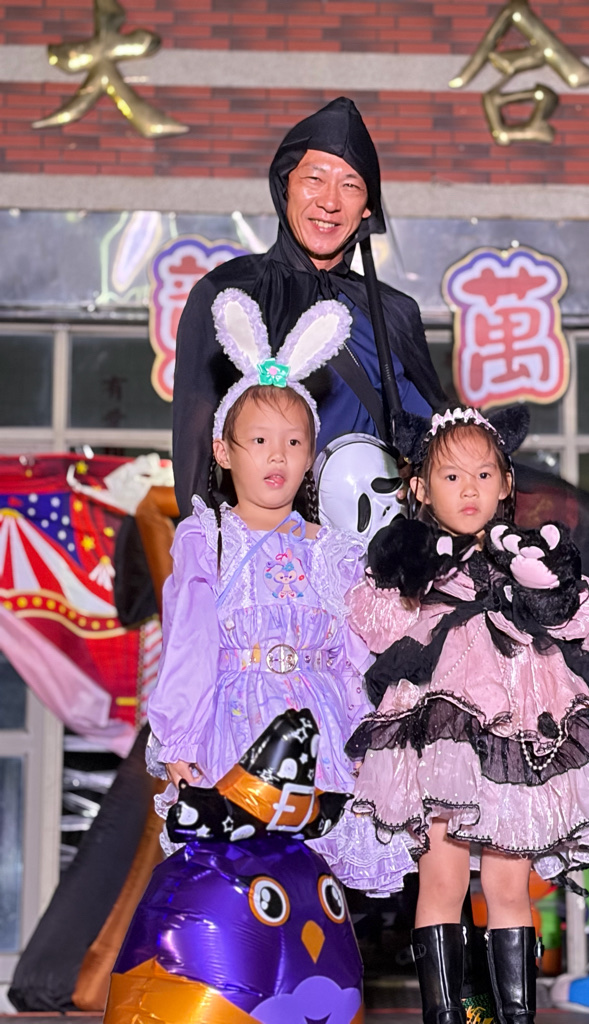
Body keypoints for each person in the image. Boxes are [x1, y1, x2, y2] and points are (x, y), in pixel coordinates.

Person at [344, 406, 589, 1024]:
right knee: (442, 882)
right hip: (444, 737)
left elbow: (584, 622)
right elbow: (372, 625)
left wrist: (545, 585)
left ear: (506, 483)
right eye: (451, 477)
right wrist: (411, 575)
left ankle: (515, 1017)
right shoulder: (413, 558)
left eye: (483, 474)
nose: (469, 489)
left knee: (510, 887)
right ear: (420, 486)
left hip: (521, 733)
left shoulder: (530, 554)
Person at [146, 289, 413, 894]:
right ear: (223, 452)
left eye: (294, 442)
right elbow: (189, 643)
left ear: (311, 455)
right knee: (243, 888)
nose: (278, 456)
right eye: (260, 441)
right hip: (235, 727)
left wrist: (373, 738)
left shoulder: (334, 549)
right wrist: (179, 739)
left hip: (322, 728)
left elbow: (354, 658)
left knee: (313, 889)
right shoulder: (208, 538)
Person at [173, 95, 446, 517]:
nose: (330, 202)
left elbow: (440, 447)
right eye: (314, 179)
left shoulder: (393, 313)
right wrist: (210, 546)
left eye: (350, 185)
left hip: (374, 544)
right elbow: (194, 454)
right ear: (286, 186)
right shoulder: (226, 294)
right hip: (268, 546)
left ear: (367, 208)